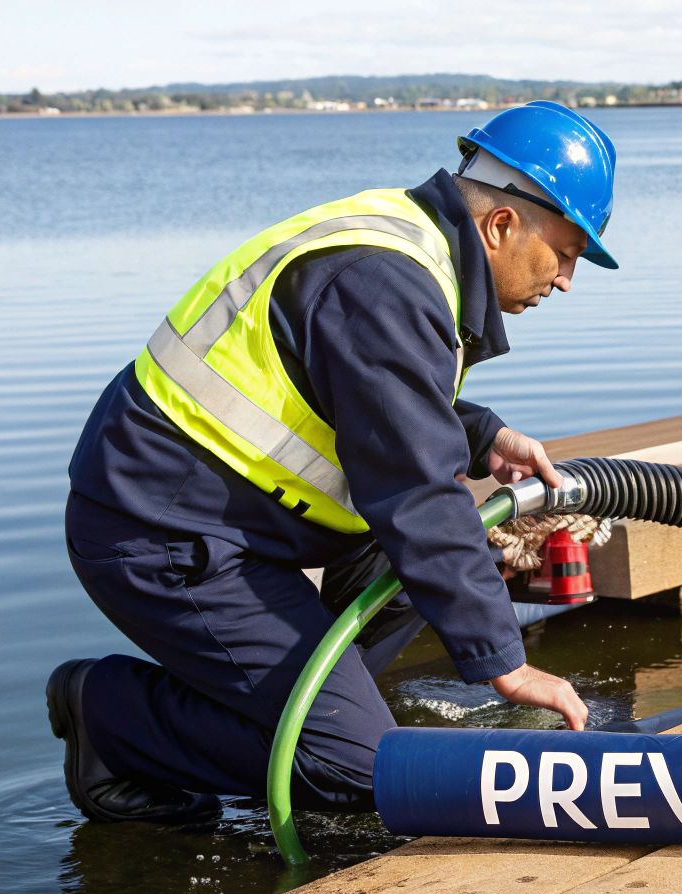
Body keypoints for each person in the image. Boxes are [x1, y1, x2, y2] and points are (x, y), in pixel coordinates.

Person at [49, 101, 614, 824]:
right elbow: (416, 492)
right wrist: (506, 664)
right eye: (564, 253)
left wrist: (479, 435)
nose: (566, 279)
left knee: (412, 583)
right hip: (161, 530)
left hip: (228, 511)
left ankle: (305, 708)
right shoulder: (388, 281)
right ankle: (112, 717)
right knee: (360, 774)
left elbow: (356, 390)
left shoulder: (411, 246)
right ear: (502, 226)